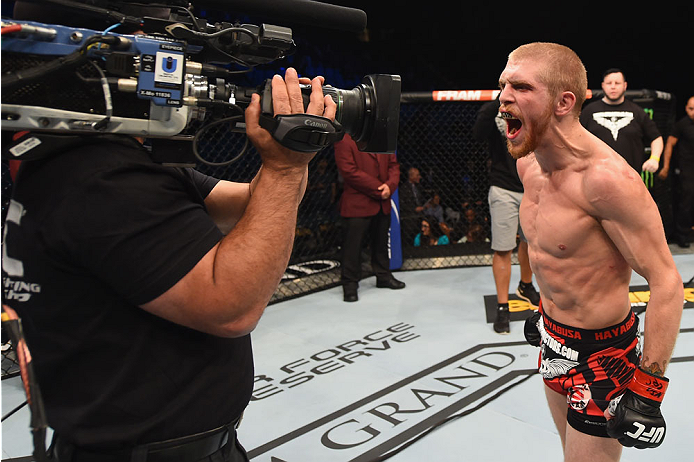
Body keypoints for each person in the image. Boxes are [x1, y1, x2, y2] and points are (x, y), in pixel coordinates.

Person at [3, 63, 337, 460]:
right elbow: (232, 308)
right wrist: (286, 166)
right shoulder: (102, 177)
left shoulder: (115, 162)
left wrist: (296, 147)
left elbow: (252, 203)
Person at [499, 42, 683, 461]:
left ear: (564, 102)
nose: (504, 97)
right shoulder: (527, 163)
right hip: (554, 342)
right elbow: (549, 248)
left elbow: (666, 280)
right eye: (503, 84)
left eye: (521, 86)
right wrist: (546, 312)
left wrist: (648, 388)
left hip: (604, 358)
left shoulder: (606, 181)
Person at [473, 97, 541, 334]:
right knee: (503, 247)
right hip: (503, 187)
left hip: (533, 186)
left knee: (529, 242)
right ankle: (503, 306)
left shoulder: (535, 105)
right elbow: (478, 134)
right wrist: (497, 103)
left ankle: (526, 285)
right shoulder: (494, 110)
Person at [334, 133, 405, 302]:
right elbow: (348, 170)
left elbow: (394, 165)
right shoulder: (344, 140)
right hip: (358, 203)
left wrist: (390, 185)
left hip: (382, 201)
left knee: (381, 243)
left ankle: (383, 276)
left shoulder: (381, 137)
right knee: (353, 247)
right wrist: (379, 188)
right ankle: (350, 285)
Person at [580, 69, 664, 175]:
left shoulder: (637, 111)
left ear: (625, 85)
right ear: (603, 85)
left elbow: (656, 138)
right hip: (596, 176)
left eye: (617, 83)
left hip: (630, 177)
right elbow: (573, 137)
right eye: (609, 83)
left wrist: (654, 159)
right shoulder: (589, 111)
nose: (613, 86)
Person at [659, 96, 694, 248]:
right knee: (686, 200)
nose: (693, 112)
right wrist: (666, 167)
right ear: (686, 108)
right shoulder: (682, 125)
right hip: (687, 169)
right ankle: (683, 235)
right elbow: (669, 145)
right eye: (691, 109)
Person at [398, 166, 427, 243]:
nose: (419, 177)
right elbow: (401, 204)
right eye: (417, 175)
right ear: (411, 176)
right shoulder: (404, 188)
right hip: (409, 216)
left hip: (419, 216)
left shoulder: (419, 187)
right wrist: (414, 209)